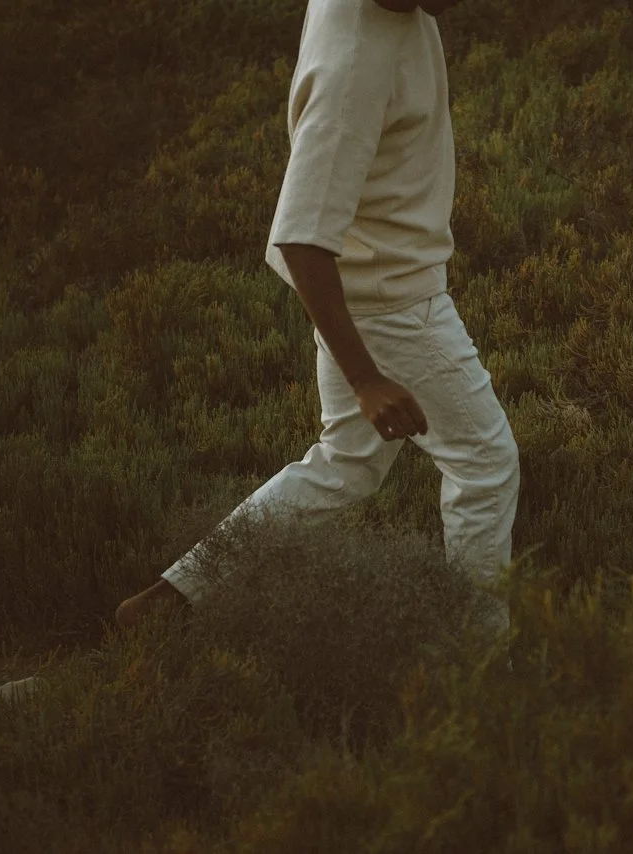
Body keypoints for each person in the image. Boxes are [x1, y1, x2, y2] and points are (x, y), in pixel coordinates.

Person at [114, 0, 519, 642]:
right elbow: (301, 239)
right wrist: (366, 378)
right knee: (485, 463)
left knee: (346, 466)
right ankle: (479, 660)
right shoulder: (353, 67)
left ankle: (173, 599)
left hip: (376, 281)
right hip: (394, 303)